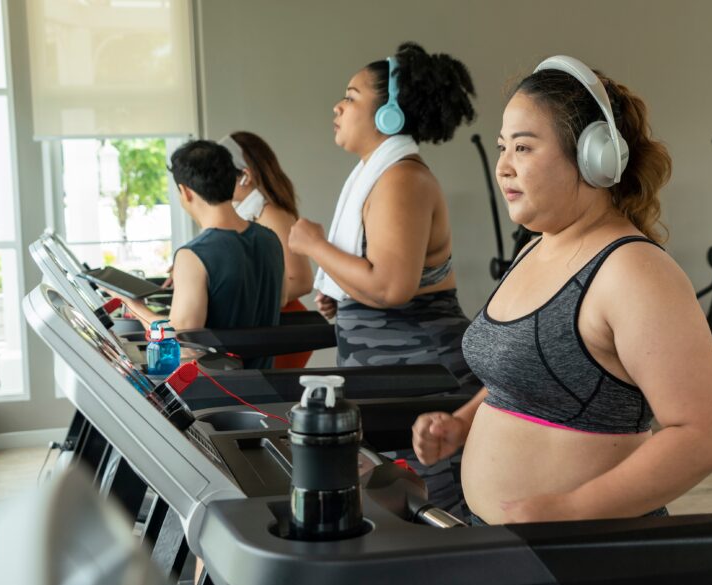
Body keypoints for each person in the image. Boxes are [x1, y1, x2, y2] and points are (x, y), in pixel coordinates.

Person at [411, 56, 712, 534]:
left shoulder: (632, 271)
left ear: (593, 158)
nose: (503, 166)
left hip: (587, 559)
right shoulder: (536, 248)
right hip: (499, 541)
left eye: (523, 147)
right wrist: (462, 423)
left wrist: (570, 509)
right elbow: (527, 369)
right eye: (504, 147)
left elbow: (709, 434)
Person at [287, 42, 477, 515]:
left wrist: (315, 247)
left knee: (442, 513)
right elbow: (379, 280)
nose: (338, 106)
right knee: (407, 506)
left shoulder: (401, 181)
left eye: (350, 96)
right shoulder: (381, 175)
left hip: (424, 375)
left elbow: (392, 288)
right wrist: (344, 293)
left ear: (389, 114)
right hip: (397, 371)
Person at [114, 139, 285, 369]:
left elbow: (180, 339)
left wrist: (131, 303)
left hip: (216, 391)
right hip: (268, 386)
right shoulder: (270, 239)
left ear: (185, 192)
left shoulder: (193, 255)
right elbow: (280, 299)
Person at [219, 131, 315, 368]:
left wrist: (245, 302)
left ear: (245, 176)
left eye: (221, 173)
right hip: (263, 328)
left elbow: (301, 280)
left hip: (280, 328)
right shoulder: (243, 212)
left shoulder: (270, 214)